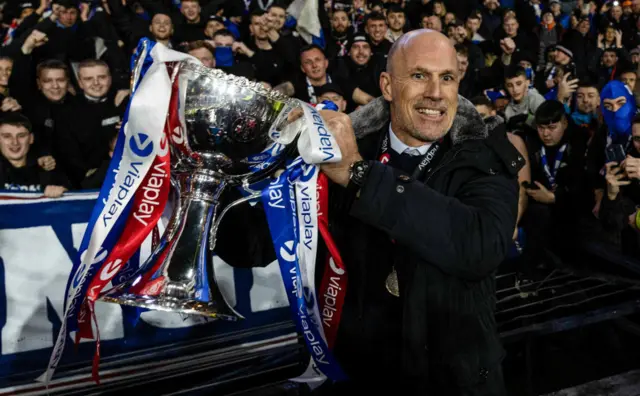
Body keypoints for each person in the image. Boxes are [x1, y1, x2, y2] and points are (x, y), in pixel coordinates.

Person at [311, 28, 523, 395]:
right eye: (420, 76)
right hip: (360, 372)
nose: (436, 94)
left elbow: (480, 246)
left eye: (447, 78)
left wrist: (360, 176)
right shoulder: (338, 151)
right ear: (388, 86)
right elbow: (255, 247)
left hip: (455, 378)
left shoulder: (486, 155)